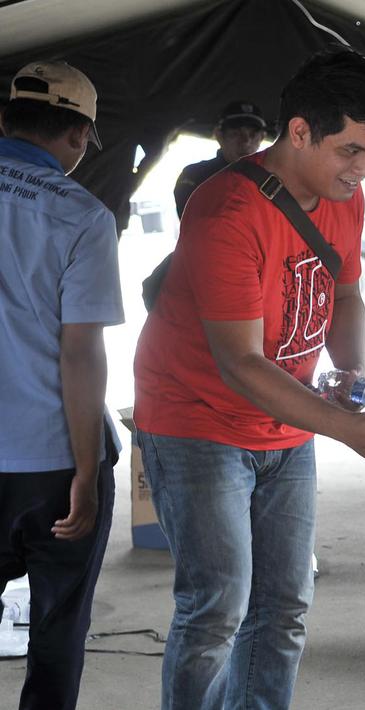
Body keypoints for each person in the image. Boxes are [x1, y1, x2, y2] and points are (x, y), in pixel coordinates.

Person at [132, 49, 365, 710]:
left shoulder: (343, 198)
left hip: (284, 422)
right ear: (298, 132)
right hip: (197, 420)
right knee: (217, 606)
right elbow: (238, 363)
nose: (364, 169)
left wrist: (352, 375)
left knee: (285, 603)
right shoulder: (226, 213)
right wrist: (351, 430)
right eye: (350, 150)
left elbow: (347, 295)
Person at [0, 60, 121, 710]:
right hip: (50, 460)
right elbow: (81, 354)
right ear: (78, 136)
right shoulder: (82, 216)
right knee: (57, 627)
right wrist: (85, 467)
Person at [173, 100, 266, 217]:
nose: (246, 141)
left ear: (262, 137)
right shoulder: (195, 176)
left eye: (253, 134)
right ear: (219, 135)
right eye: (236, 133)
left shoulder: (274, 178)